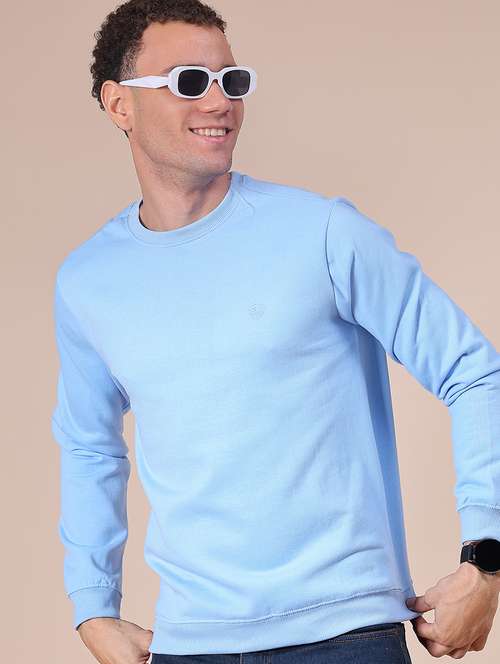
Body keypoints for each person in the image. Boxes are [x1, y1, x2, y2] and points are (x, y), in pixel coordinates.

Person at [51, 1, 500, 662]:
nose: (219, 102)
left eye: (231, 81)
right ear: (119, 104)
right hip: (190, 643)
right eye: (188, 82)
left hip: (346, 637)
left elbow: (474, 371)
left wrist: (486, 558)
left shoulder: (323, 233)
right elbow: (90, 446)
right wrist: (93, 607)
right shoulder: (88, 281)